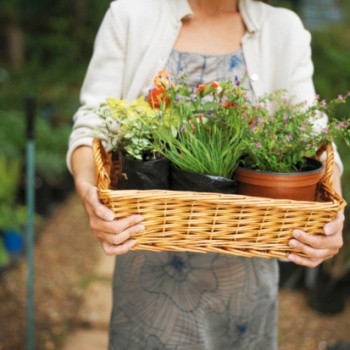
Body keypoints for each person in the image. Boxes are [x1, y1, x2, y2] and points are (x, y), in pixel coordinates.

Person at [67, 0, 345, 348]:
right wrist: (86, 189)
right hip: (149, 266)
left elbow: (314, 141)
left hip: (246, 274)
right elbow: (92, 123)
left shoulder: (282, 28)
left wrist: (331, 216)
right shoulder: (130, 15)